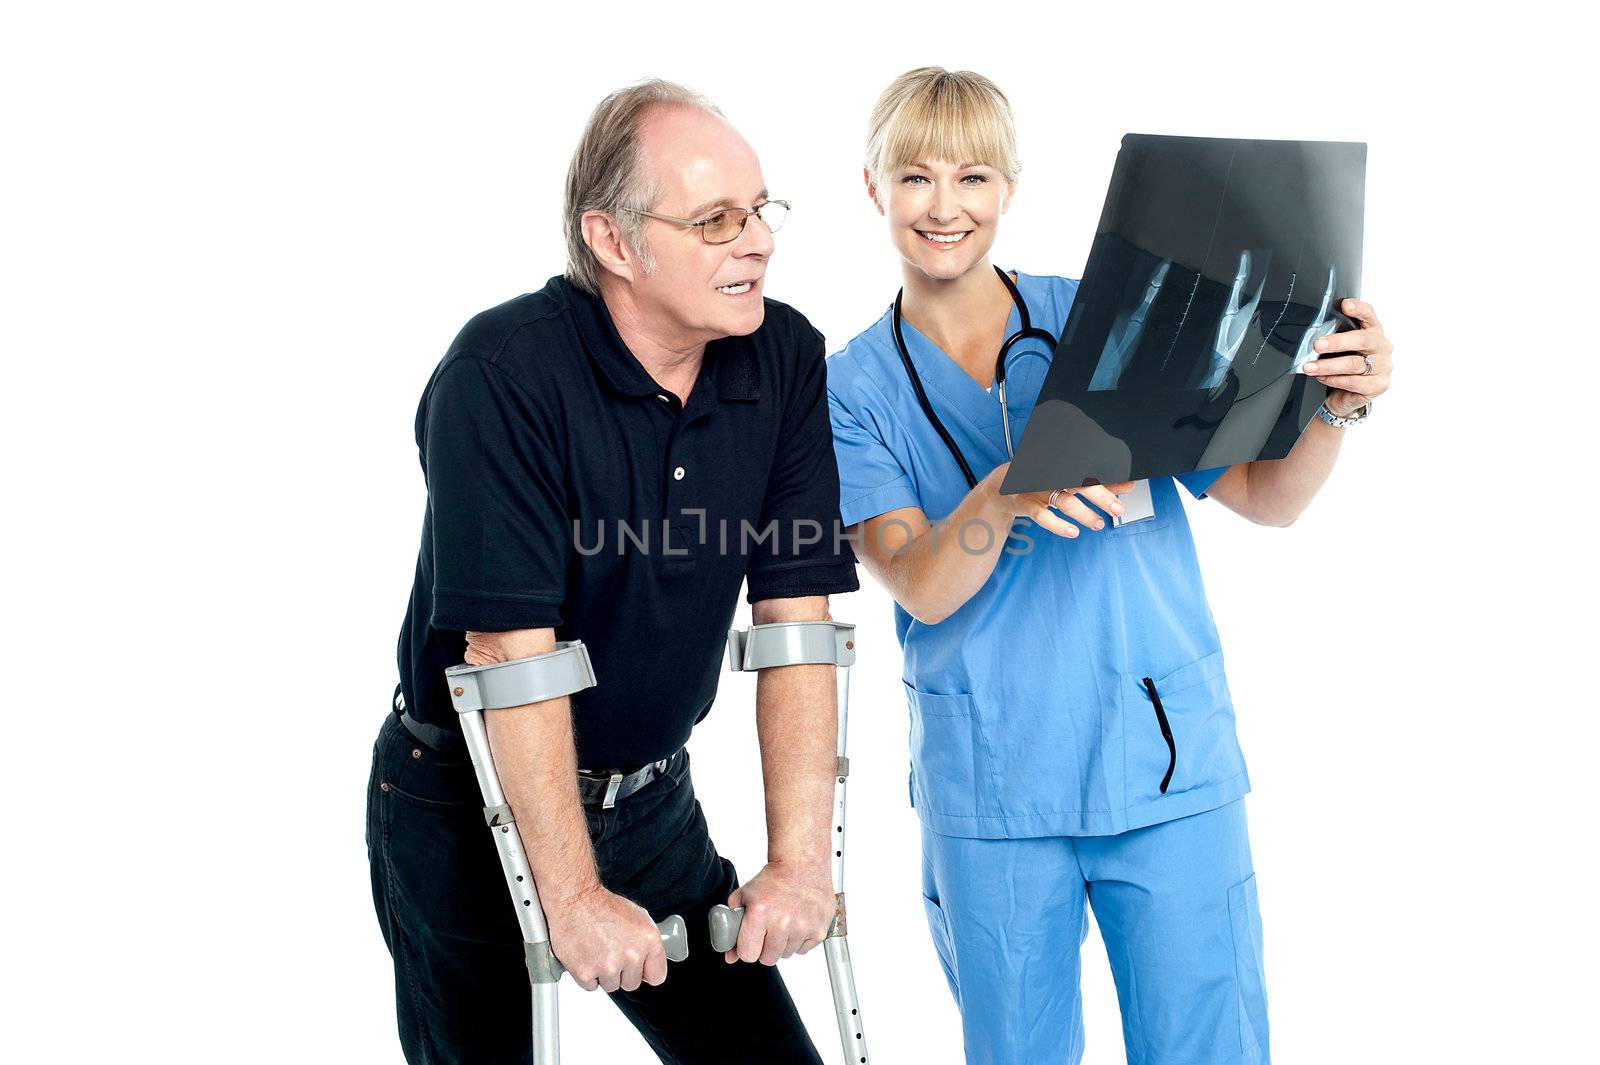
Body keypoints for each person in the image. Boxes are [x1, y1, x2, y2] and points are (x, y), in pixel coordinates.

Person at [826, 68, 1394, 1065]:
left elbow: (1267, 499)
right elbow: (914, 578)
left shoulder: (1107, 317)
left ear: (1009, 187)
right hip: (995, 788)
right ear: (872, 189)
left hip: (1164, 765)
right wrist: (1007, 494)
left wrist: (1338, 406)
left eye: (972, 176)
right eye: (913, 177)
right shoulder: (850, 389)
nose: (944, 206)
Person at [367, 79, 858, 1064]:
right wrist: (573, 896)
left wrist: (803, 867)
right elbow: (511, 654)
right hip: (467, 806)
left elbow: (795, 622)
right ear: (613, 240)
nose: (756, 241)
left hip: (650, 803)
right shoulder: (501, 376)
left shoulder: (783, 356)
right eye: (716, 219)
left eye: (762, 211)